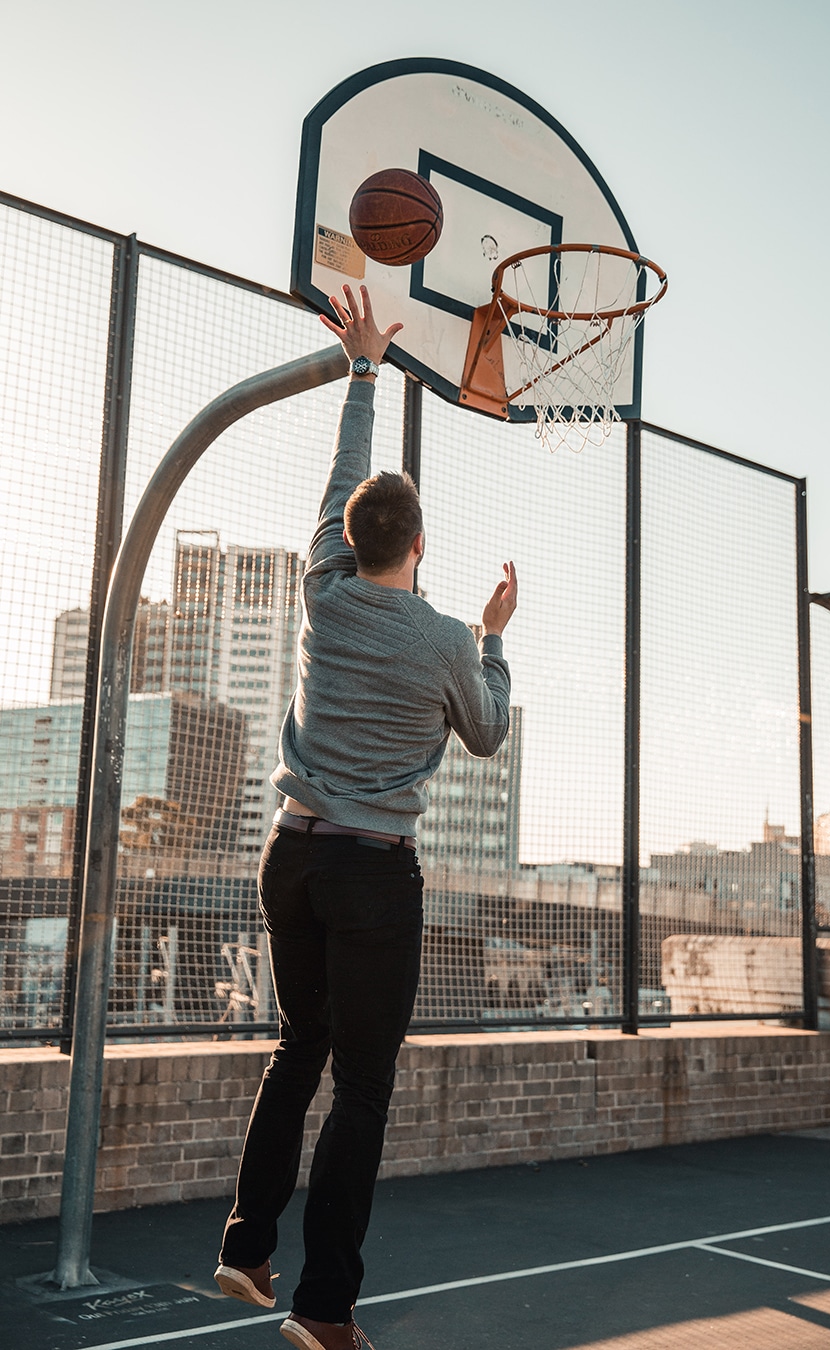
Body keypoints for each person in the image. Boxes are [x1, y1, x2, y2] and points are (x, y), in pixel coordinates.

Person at [214, 284, 517, 1350]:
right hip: (372, 875)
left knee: (298, 1047)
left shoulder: (322, 591)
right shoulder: (440, 639)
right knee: (364, 1088)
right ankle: (325, 1309)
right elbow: (487, 735)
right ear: (420, 542)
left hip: (288, 859)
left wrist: (364, 367)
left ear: (349, 538)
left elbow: (347, 482)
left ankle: (247, 1246)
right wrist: (491, 640)